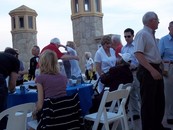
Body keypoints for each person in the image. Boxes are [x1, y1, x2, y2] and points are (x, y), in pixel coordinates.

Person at [134, 11, 170, 130]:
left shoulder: (151, 35)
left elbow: (153, 55)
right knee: (148, 103)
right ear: (151, 21)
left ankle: (157, 126)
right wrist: (152, 71)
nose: (159, 22)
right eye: (157, 19)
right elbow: (138, 54)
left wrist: (160, 67)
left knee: (159, 101)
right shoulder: (142, 34)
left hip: (154, 68)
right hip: (147, 70)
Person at [33, 50, 68, 119]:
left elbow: (40, 105)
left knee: (32, 118)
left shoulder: (40, 78)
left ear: (42, 62)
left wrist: (34, 111)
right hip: (64, 113)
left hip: (50, 115)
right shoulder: (63, 78)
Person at [121, 28, 141, 121]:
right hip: (128, 73)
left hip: (137, 71)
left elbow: (140, 60)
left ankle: (145, 111)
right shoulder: (123, 48)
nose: (126, 38)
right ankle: (136, 112)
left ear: (133, 36)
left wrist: (131, 63)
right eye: (125, 36)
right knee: (132, 93)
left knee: (140, 92)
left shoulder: (137, 46)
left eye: (128, 36)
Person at [0, 47, 20, 129]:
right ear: (15, 55)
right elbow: (12, 83)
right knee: (2, 112)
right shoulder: (15, 60)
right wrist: (11, 90)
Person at [158, 21, 173, 125]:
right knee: (169, 93)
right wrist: (163, 69)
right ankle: (170, 115)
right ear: (169, 28)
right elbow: (159, 56)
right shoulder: (163, 40)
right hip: (169, 67)